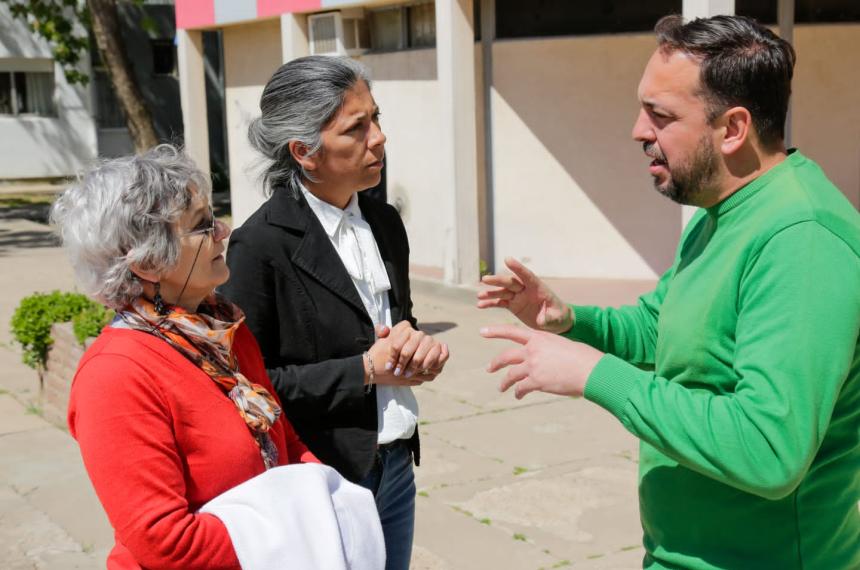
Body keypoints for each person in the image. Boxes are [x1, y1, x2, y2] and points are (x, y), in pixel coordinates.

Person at [478, 14, 860, 570]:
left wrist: (594, 375)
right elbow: (665, 327)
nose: (637, 130)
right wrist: (569, 321)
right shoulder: (721, 210)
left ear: (733, 128)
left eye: (660, 116)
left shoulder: (802, 240)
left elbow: (770, 449)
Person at [220, 55, 449, 570]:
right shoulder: (259, 246)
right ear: (305, 152)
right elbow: (248, 389)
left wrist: (417, 350)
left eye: (377, 118)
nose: (379, 138)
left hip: (395, 463)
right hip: (322, 476)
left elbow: (397, 322)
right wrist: (366, 370)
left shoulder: (384, 221)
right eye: (357, 128)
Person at [53, 145, 318, 569]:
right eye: (203, 226)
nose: (224, 231)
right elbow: (165, 542)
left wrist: (330, 498)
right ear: (147, 262)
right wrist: (291, 531)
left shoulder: (222, 329)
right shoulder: (115, 375)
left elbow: (284, 441)